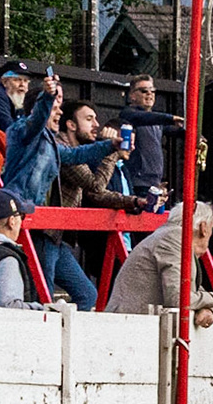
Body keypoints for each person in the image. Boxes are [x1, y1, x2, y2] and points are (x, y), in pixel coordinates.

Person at [2, 75, 116, 306]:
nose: (60, 113)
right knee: (41, 293)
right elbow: (35, 121)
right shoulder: (22, 130)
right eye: (55, 108)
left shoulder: (50, 141)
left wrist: (110, 146)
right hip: (35, 228)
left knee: (87, 295)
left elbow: (75, 155)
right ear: (40, 109)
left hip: (50, 232)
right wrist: (47, 97)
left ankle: (66, 339)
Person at [43, 101, 145, 310]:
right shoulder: (63, 148)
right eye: (89, 119)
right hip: (45, 232)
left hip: (58, 237)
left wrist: (134, 202)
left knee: (88, 295)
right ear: (71, 125)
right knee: (42, 294)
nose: (96, 125)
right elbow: (96, 187)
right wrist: (111, 150)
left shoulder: (77, 150)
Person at [104, 200, 213, 329]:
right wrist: (212, 299)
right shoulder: (176, 238)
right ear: (203, 228)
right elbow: (178, 298)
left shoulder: (168, 235)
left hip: (132, 325)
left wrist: (210, 308)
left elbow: (191, 289)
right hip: (129, 328)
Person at [117, 74, 184, 195]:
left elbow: (176, 131)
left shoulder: (157, 122)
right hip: (136, 182)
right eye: (144, 91)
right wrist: (170, 118)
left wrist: (195, 134)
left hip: (155, 182)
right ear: (132, 95)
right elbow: (143, 117)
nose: (149, 94)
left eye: (152, 91)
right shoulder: (128, 114)